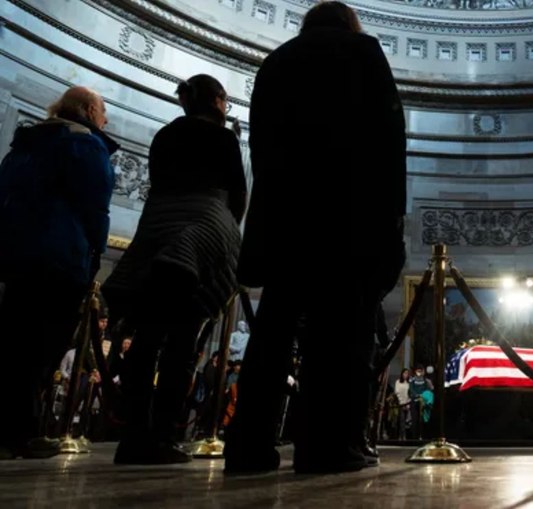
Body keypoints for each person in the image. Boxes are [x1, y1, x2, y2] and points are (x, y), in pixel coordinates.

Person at [224, 1, 406, 475]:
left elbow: (260, 150)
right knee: (341, 336)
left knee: (272, 333)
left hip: (285, 219)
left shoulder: (276, 61)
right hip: (346, 217)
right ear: (351, 24)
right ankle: (328, 447)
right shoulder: (364, 53)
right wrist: (392, 223)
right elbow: (389, 143)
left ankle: (248, 447)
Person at [102, 74, 247, 464]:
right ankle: (164, 435)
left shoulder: (165, 136)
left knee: (146, 338)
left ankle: (133, 436)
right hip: (198, 239)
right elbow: (238, 194)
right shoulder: (224, 139)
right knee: (182, 342)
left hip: (156, 234)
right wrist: (226, 235)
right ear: (217, 101)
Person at [0, 86, 116, 460]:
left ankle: (12, 430)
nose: (105, 119)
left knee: (14, 341)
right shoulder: (85, 145)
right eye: (101, 111)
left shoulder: (28, 142)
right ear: (86, 109)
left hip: (18, 256)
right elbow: (96, 206)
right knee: (44, 346)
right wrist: (95, 253)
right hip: (60, 258)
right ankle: (23, 431)